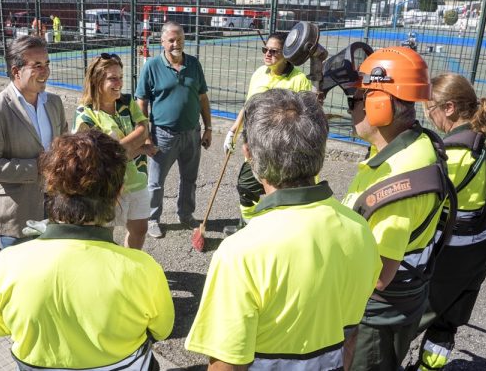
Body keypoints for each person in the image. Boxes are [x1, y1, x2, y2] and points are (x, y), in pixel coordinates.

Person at [185, 89, 381, 369]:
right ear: (320, 152)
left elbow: (226, 363)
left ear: (249, 155)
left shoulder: (240, 253)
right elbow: (352, 335)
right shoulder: (360, 230)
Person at [0, 130, 175, 370]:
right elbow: (161, 329)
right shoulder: (142, 269)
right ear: (118, 193)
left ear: (51, 186)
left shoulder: (6, 264)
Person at [341, 46, 456, 370]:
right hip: (396, 303)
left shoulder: (401, 179)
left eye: (356, 100)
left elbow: (377, 277)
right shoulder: (412, 145)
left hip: (375, 317)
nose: (351, 109)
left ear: (378, 107)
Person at [413, 73, 486, 371]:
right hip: (482, 249)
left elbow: (422, 207)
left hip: (445, 253)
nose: (428, 116)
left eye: (430, 108)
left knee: (409, 315)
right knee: (447, 322)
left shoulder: (446, 155)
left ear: (448, 109)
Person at [0, 35, 68, 249]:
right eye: (37, 66)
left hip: (54, 209)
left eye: (47, 64)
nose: (45, 71)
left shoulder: (54, 103)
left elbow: (63, 144)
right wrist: (37, 167)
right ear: (16, 71)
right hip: (16, 216)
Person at [223, 31, 312, 225]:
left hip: (283, 150)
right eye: (265, 49)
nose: (267, 54)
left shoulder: (299, 80)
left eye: (274, 51)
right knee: (246, 186)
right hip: (256, 146)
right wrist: (233, 131)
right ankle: (247, 225)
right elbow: (247, 106)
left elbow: (305, 119)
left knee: (282, 192)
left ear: (286, 54)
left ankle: (276, 229)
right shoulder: (258, 73)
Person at [135, 21, 212, 238]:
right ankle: (152, 219)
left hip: (192, 133)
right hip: (163, 135)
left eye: (179, 39)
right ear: (162, 42)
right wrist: (146, 135)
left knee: (189, 179)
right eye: (171, 40)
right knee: (156, 182)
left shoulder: (194, 65)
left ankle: (186, 214)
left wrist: (208, 128)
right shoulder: (151, 66)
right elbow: (141, 101)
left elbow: (202, 97)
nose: (176, 43)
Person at [73, 53, 156, 249]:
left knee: (140, 229)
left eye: (121, 77)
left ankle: (129, 262)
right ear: (96, 80)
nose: (119, 82)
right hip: (107, 187)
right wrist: (139, 148)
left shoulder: (126, 102)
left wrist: (123, 149)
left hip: (136, 181)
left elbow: (144, 128)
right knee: (104, 234)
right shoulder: (85, 114)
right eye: (112, 78)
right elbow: (102, 157)